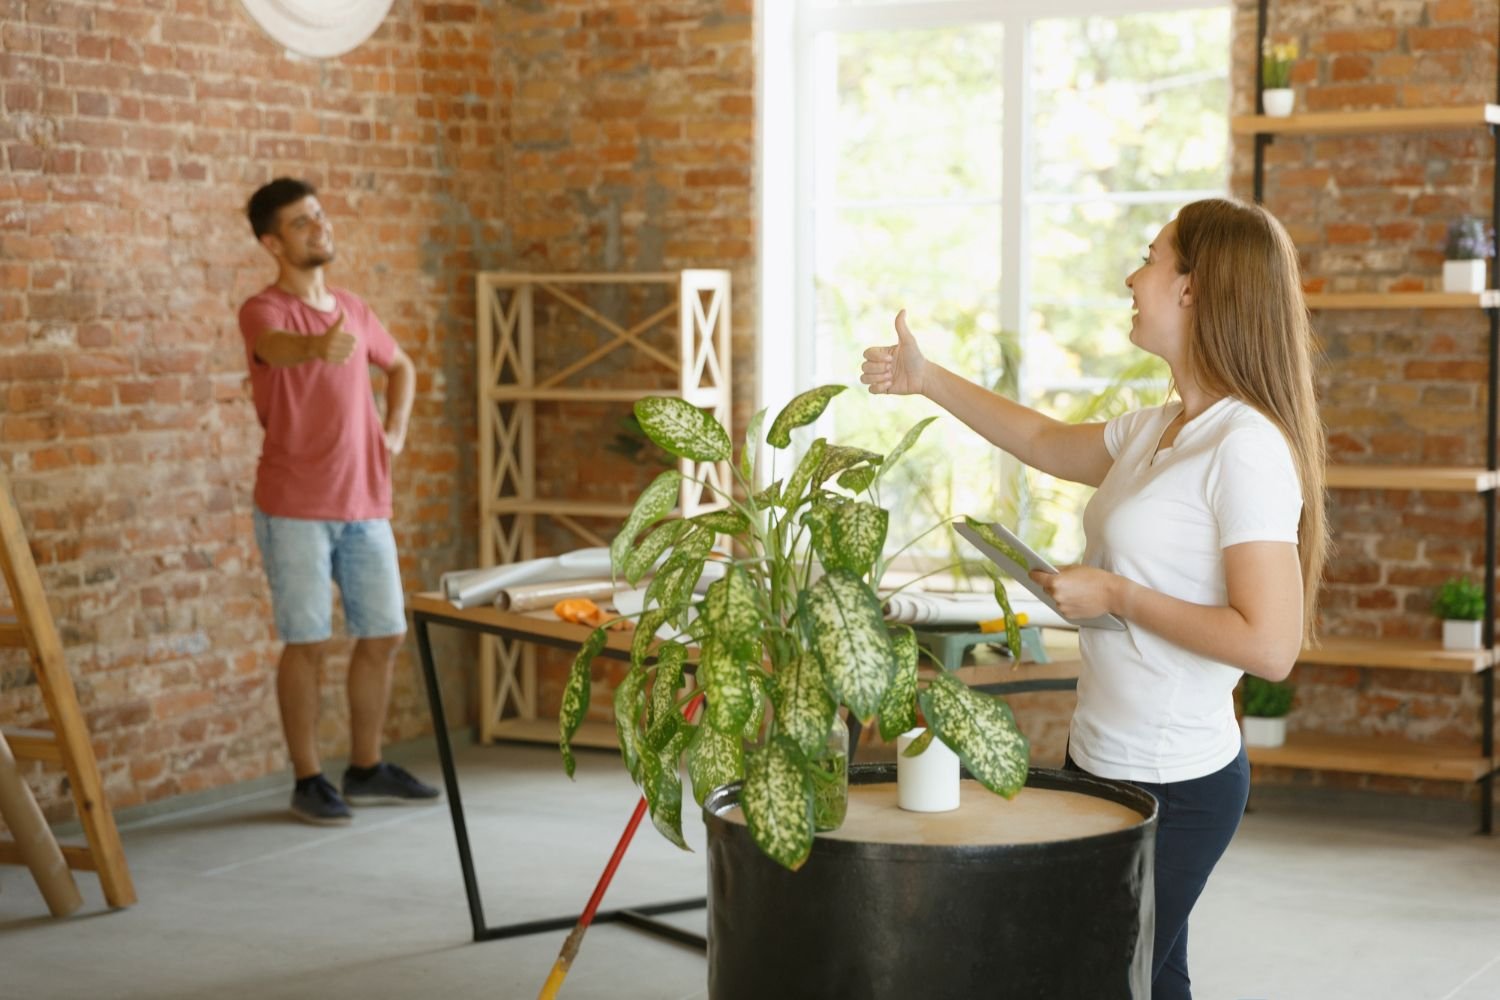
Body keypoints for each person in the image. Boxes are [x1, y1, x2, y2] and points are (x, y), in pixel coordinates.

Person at [861, 196, 1327, 999]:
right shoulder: (1160, 429)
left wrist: (1117, 593)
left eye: (1150, 256)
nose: (1130, 275)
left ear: (1193, 288)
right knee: (1151, 971)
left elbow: (1269, 645)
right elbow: (1042, 440)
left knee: (1089, 970)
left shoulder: (1245, 447)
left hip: (1179, 782)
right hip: (1102, 756)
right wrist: (926, 378)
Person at [239, 177, 439, 826]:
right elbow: (275, 349)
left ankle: (365, 767)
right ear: (273, 243)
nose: (318, 228)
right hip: (294, 505)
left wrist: (397, 429)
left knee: (383, 633)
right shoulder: (264, 310)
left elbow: (401, 366)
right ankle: (307, 779)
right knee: (307, 640)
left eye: (319, 216)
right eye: (301, 223)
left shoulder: (354, 306)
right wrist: (315, 348)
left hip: (365, 503)